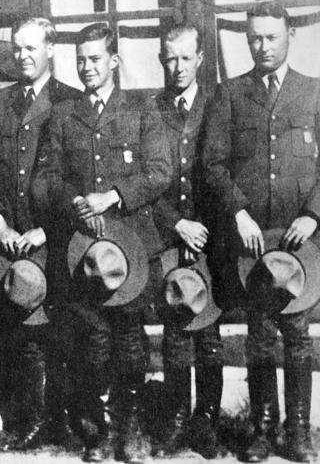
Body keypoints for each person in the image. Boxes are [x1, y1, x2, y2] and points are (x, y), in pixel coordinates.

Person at [32, 23, 171, 463]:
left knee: (130, 340)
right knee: (93, 341)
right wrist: (72, 201)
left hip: (130, 249)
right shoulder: (62, 114)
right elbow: (44, 179)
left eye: (96, 59)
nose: (87, 67)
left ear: (114, 61)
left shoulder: (142, 109)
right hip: (83, 251)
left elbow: (159, 170)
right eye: (81, 60)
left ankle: (130, 432)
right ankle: (100, 432)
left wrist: (112, 196)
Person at [202, 1, 320, 463]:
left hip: (301, 242)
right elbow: (211, 164)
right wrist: (238, 213)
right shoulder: (230, 94)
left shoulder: (313, 93)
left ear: (290, 35)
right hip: (252, 242)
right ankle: (261, 427)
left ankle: (297, 431)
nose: (262, 45)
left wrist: (313, 213)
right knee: (259, 333)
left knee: (296, 334)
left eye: (271, 36)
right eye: (254, 37)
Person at [0, 17, 81, 449]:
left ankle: (56, 418)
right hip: (9, 237)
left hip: (54, 239)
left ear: (51, 49)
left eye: (31, 48)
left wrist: (48, 230)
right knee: (13, 329)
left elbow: (81, 180)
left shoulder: (71, 101)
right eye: (17, 48)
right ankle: (22, 417)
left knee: (54, 330)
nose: (23, 56)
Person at [152, 23, 224, 458]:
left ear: (200, 59)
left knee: (209, 329)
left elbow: (222, 174)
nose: (177, 67)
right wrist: (176, 224)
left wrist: (203, 228)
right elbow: (147, 183)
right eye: (169, 58)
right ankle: (177, 418)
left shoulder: (218, 104)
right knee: (176, 327)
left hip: (211, 239)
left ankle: (208, 418)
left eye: (185, 58)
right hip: (168, 235)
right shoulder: (152, 108)